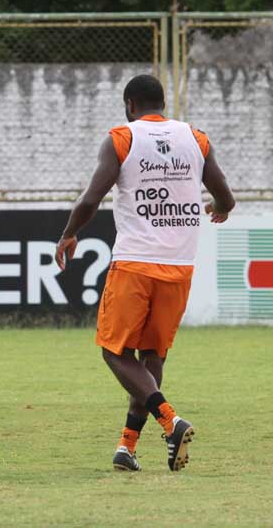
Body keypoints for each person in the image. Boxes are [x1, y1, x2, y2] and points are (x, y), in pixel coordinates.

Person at [55, 75, 235, 471]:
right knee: (152, 356)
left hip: (135, 263)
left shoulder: (122, 138)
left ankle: (170, 420)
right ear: (162, 102)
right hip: (180, 268)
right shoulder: (196, 139)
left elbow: (91, 199)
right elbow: (225, 195)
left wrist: (69, 234)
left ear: (130, 104)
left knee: (115, 351)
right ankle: (127, 447)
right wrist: (221, 208)